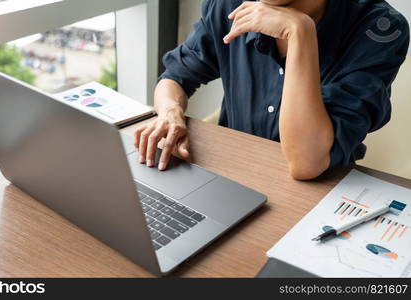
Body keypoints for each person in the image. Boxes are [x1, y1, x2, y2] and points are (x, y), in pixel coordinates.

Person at [133, 0, 410, 180]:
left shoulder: (380, 28)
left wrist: (300, 32)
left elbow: (306, 163)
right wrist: (170, 113)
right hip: (230, 174)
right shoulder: (229, 5)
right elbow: (175, 78)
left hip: (318, 191)